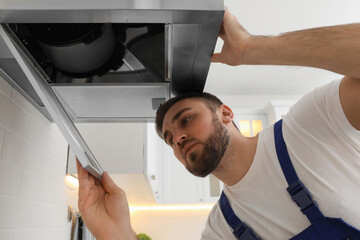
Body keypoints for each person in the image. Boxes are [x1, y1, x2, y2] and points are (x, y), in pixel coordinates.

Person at [76, 8, 360, 240]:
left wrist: (251, 48)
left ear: (225, 113)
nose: (177, 138)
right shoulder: (223, 230)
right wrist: (117, 233)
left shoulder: (309, 127)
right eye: (169, 138)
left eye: (186, 119)